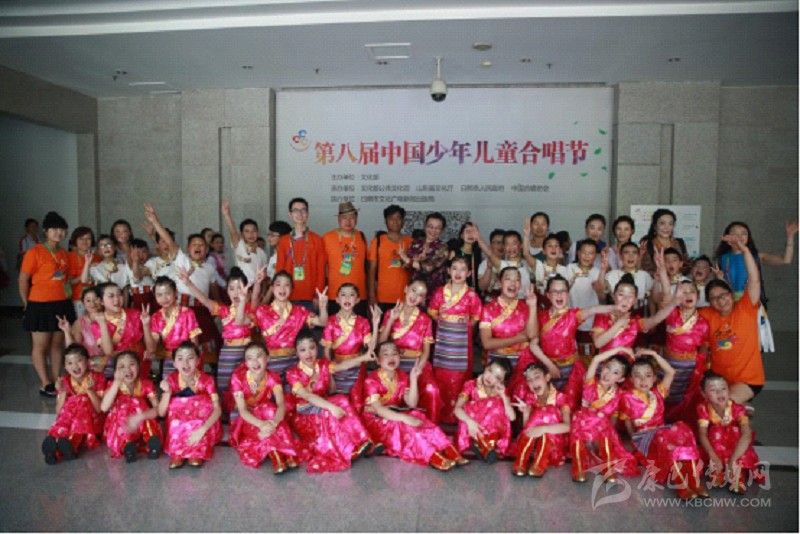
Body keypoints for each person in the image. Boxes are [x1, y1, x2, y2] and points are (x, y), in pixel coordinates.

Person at [361, 341, 467, 471]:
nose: (391, 357)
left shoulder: (402, 376)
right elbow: (379, 409)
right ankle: (432, 456)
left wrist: (413, 378)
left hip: (394, 413)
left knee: (419, 416)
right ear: (377, 360)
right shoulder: (371, 380)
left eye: (394, 353)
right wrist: (404, 418)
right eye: (386, 354)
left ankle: (448, 449)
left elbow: (412, 403)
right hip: (376, 420)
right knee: (404, 425)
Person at [286, 329, 376, 473]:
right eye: (303, 350)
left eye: (312, 348)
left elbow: (342, 366)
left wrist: (363, 358)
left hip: (322, 403)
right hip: (304, 414)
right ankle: (348, 450)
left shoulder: (323, 364)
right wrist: (331, 407)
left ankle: (364, 442)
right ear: (296, 353)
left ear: (317, 349)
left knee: (342, 399)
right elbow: (307, 396)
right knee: (330, 413)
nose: (308, 353)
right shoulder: (292, 373)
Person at [620, 351, 706, 501]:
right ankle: (682, 485)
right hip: (645, 437)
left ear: (654, 378)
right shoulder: (627, 397)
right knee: (668, 442)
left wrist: (654, 354)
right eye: (637, 376)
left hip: (663, 433)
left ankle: (694, 482)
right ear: (631, 379)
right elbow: (627, 421)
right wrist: (634, 439)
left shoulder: (658, 392)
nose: (643, 380)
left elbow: (670, 372)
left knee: (683, 429)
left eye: (648, 375)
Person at [527, 275, 619, 411]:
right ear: (548, 295)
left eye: (563, 291)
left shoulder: (573, 315)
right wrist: (549, 365)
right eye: (555, 291)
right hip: (547, 368)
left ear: (568, 294)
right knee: (549, 407)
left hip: (571, 370)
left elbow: (592, 310)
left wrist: (618, 307)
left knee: (570, 407)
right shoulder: (540, 317)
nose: (559, 295)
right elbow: (532, 344)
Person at [699, 233, 765, 405]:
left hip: (748, 379)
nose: (721, 301)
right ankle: (742, 413)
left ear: (731, 294)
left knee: (724, 405)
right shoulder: (707, 314)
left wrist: (744, 250)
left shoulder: (745, 308)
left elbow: (754, 280)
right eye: (714, 298)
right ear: (709, 302)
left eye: (724, 295)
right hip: (718, 381)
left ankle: (741, 412)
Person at [178, 266, 253, 414]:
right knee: (224, 385)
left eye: (240, 288)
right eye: (231, 288)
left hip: (246, 353)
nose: (236, 292)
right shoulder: (224, 310)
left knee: (246, 384)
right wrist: (188, 283)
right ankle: (227, 413)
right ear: (227, 291)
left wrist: (247, 297)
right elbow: (205, 300)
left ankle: (243, 414)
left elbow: (240, 319)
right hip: (227, 353)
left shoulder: (251, 310)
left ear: (246, 290)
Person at [714, 220, 798, 352]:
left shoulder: (757, 257)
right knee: (729, 343)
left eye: (743, 233)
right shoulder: (721, 259)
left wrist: (790, 236)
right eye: (734, 233)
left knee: (749, 343)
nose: (739, 237)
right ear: (727, 237)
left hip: (750, 304)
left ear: (748, 237)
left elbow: (785, 260)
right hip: (728, 305)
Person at [19, 211, 75, 396]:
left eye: (62, 229)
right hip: (39, 303)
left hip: (61, 303)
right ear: (46, 231)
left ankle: (57, 379)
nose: (59, 233)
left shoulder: (64, 253)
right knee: (41, 345)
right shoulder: (34, 252)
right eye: (54, 229)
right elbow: (23, 279)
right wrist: (26, 303)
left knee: (57, 345)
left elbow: (65, 279)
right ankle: (45, 382)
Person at [228, 342, 302, 473]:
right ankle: (277, 454)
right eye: (249, 358)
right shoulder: (237, 378)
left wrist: (274, 423)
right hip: (248, 416)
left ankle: (285, 453)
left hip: (266, 413)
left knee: (270, 409)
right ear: (246, 363)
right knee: (266, 419)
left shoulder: (273, 377)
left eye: (259, 356)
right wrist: (261, 424)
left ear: (267, 358)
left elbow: (281, 404)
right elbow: (243, 411)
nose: (255, 362)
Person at [569, 347, 639, 483]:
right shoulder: (590, 382)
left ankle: (608, 468)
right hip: (583, 424)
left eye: (615, 372)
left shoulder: (618, 394)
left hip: (600, 430)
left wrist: (611, 434)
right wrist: (620, 348)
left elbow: (613, 416)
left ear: (621, 379)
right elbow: (596, 359)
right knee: (580, 425)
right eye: (607, 367)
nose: (608, 374)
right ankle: (578, 468)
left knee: (605, 429)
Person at [377, 280, 443, 423]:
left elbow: (426, 351)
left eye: (420, 295)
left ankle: (429, 427)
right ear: (406, 289)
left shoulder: (425, 320)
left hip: (417, 363)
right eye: (413, 290)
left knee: (432, 390)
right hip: (394, 364)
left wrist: (418, 369)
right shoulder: (390, 313)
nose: (414, 297)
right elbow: (381, 344)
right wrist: (391, 320)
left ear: (423, 299)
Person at [427, 256, 482, 423]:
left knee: (460, 378)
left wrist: (464, 327)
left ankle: (458, 416)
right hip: (443, 340)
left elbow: (476, 318)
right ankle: (440, 414)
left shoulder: (471, 295)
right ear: (449, 271)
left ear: (469, 273)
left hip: (461, 342)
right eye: (455, 268)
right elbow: (432, 311)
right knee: (441, 376)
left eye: (463, 269)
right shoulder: (440, 292)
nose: (458, 273)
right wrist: (443, 320)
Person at [251, 270, 328, 385]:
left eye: (286, 285)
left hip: (295, 364)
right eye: (278, 284)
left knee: (296, 393)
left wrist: (322, 307)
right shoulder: (263, 311)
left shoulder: (299, 311)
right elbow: (252, 307)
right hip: (270, 364)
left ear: (291, 289)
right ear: (272, 288)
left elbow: (322, 322)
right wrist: (257, 283)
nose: (282, 289)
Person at [696, 372, 764, 494]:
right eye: (713, 390)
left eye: (723, 388)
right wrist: (713, 456)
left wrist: (733, 459)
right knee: (715, 432)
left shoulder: (738, 409)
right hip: (716, 445)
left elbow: (746, 434)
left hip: (735, 446)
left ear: (729, 390)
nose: (720, 393)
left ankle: (737, 475)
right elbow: (702, 434)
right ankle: (717, 470)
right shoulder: (703, 408)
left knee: (735, 432)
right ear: (704, 394)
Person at [158, 341, 222, 469]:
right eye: (180, 359)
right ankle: (178, 452)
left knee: (202, 407)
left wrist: (203, 429)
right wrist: (167, 392)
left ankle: (196, 451)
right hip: (179, 422)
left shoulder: (207, 381)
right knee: (175, 411)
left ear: (198, 361)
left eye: (190, 358)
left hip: (202, 422)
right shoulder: (171, 380)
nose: (185, 363)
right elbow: (161, 413)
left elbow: (217, 409)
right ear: (174, 363)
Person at [41, 344, 106, 464]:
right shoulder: (65, 381)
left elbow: (100, 409)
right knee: (64, 421)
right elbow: (59, 412)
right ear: (65, 367)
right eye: (70, 363)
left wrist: (90, 391)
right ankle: (53, 449)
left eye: (79, 361)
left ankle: (71, 443)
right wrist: (63, 392)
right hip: (71, 420)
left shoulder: (98, 378)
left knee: (82, 400)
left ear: (88, 362)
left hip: (93, 420)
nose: (75, 366)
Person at [592, 274, 684, 355]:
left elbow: (656, 319)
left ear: (635, 300)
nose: (625, 299)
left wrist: (674, 303)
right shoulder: (602, 316)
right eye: (621, 294)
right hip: (604, 365)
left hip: (625, 365)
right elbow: (598, 343)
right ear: (613, 296)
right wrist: (619, 324)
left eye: (630, 295)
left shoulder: (634, 322)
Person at [321, 284, 379, 411]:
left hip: (357, 369)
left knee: (356, 405)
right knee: (338, 403)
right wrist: (329, 376)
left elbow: (371, 349)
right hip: (337, 369)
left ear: (357, 300)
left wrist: (375, 325)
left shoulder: (363, 322)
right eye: (343, 295)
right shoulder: (331, 322)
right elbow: (326, 353)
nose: (347, 298)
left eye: (351, 295)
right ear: (337, 299)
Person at [663, 279, 710, 427]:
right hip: (669, 364)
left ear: (698, 296)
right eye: (683, 292)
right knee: (665, 393)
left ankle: (679, 425)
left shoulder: (703, 323)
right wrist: (662, 272)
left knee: (683, 397)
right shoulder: (672, 314)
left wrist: (700, 368)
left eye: (692, 292)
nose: (688, 295)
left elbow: (704, 347)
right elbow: (666, 294)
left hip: (689, 367)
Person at [100, 351, 163, 462]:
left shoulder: (146, 384)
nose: (127, 369)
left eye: (131, 364)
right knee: (122, 413)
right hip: (122, 424)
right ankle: (127, 447)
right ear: (115, 371)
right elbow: (104, 408)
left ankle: (152, 443)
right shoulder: (112, 385)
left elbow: (159, 409)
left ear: (139, 366)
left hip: (141, 421)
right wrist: (116, 382)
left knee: (145, 413)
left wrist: (141, 416)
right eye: (121, 367)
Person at [511, 362, 571, 477]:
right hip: (533, 439)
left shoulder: (561, 398)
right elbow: (527, 428)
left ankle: (539, 464)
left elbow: (567, 426)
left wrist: (543, 429)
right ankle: (521, 461)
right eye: (529, 380)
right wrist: (526, 412)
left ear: (547, 377)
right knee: (539, 416)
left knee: (549, 412)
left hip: (552, 441)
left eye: (537, 377)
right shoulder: (530, 398)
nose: (533, 382)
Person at [479, 267, 538, 378]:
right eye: (508, 279)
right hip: (496, 361)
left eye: (517, 280)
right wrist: (519, 338)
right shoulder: (488, 309)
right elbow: (487, 343)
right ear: (499, 283)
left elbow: (531, 335)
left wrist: (533, 306)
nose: (513, 283)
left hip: (522, 361)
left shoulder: (526, 307)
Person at [453, 358, 515, 463]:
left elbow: (512, 417)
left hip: (492, 433)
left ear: (502, 382)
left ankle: (482, 445)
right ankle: (484, 446)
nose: (490, 377)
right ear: (486, 368)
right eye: (490, 371)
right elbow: (457, 409)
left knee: (497, 403)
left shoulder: (502, 391)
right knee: (467, 407)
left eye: (497, 377)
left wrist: (503, 396)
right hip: (472, 427)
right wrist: (470, 422)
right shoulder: (470, 385)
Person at [93, 282, 157, 379]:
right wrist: (102, 323)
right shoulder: (96, 324)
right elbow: (108, 351)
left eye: (119, 294)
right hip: (117, 365)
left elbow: (151, 349)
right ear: (100, 301)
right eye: (111, 296)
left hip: (138, 363)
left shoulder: (136, 314)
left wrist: (146, 325)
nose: (117, 299)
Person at [275, 197, 326, 311]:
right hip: (287, 295)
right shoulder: (283, 241)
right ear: (290, 214)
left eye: (303, 210)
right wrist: (279, 294)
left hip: (310, 297)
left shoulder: (317, 240)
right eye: (296, 210)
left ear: (307, 214)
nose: (300, 214)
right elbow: (279, 270)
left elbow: (321, 271)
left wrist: (318, 295)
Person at [148, 276, 201, 378]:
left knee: (189, 385)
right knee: (169, 385)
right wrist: (146, 325)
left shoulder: (187, 312)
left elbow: (194, 340)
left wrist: (193, 360)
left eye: (168, 293)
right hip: (169, 359)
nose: (164, 298)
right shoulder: (156, 317)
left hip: (187, 359)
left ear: (175, 293)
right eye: (159, 295)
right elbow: (152, 346)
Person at [323, 202, 369, 316]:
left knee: (359, 326)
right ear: (339, 219)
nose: (348, 221)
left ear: (356, 218)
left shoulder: (361, 237)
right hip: (335, 295)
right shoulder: (327, 238)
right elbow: (322, 268)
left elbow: (366, 267)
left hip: (358, 296)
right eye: (344, 218)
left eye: (352, 217)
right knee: (335, 326)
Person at [565, 239, 608, 357]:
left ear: (596, 256)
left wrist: (603, 271)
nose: (587, 256)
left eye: (591, 253)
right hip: (571, 319)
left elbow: (602, 297)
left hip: (591, 321)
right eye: (584, 252)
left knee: (589, 354)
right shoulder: (569, 268)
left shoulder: (597, 272)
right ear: (578, 253)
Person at [367, 204, 413, 313]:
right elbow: (371, 270)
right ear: (385, 221)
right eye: (391, 218)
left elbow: (414, 268)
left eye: (398, 218)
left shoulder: (410, 242)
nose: (395, 221)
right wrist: (372, 296)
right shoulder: (378, 241)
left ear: (403, 221)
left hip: (405, 297)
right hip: (382, 297)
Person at [56, 287, 110, 373]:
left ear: (102, 301)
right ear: (83, 303)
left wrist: (104, 362)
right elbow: (73, 350)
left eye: (95, 299)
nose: (92, 303)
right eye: (88, 300)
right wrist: (67, 331)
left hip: (111, 362)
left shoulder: (112, 319)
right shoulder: (80, 323)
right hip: (88, 364)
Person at [402, 212, 449, 308]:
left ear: (442, 230)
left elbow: (428, 268)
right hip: (414, 293)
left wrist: (409, 260)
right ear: (425, 226)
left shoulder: (443, 247)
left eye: (437, 228)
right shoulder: (416, 243)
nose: (433, 230)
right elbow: (404, 266)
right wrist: (410, 261)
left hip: (432, 294)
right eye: (430, 226)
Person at [475, 226, 536, 300]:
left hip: (525, 302)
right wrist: (478, 237)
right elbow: (489, 253)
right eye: (507, 244)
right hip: (508, 302)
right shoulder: (502, 264)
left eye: (514, 243)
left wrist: (526, 235)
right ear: (504, 247)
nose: (511, 247)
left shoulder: (527, 263)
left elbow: (526, 253)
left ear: (521, 245)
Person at [221, 199, 268, 290]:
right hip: (240, 288)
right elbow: (232, 231)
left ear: (258, 233)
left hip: (255, 289)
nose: (251, 234)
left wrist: (263, 293)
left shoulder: (262, 253)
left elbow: (264, 277)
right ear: (242, 234)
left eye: (254, 231)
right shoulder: (240, 246)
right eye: (247, 231)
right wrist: (227, 214)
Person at [638, 208, 688, 275]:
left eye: (670, 224)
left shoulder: (679, 243)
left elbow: (686, 265)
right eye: (662, 223)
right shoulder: (647, 245)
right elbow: (644, 270)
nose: (666, 227)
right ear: (655, 226)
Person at [65, 226, 97, 317]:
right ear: (75, 240)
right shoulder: (70, 257)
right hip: (77, 299)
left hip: (95, 298)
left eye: (88, 239)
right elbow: (69, 282)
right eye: (81, 239)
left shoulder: (96, 257)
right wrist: (86, 271)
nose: (85, 242)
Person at [122, 238, 155, 313]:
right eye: (136, 253)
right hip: (136, 297)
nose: (140, 255)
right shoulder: (129, 263)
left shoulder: (150, 264)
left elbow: (138, 276)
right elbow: (133, 267)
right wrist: (135, 261)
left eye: (144, 252)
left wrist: (136, 261)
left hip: (151, 296)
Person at [447, 222, 483, 292]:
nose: (470, 234)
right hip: (457, 291)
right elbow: (448, 275)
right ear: (462, 236)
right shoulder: (454, 252)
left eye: (473, 232)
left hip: (474, 291)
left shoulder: (477, 253)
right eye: (467, 231)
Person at [476, 228, 505, 301]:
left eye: (503, 242)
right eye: (497, 243)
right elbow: (482, 288)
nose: (501, 246)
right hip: (489, 301)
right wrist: (489, 268)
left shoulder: (511, 262)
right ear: (491, 245)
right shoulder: (484, 264)